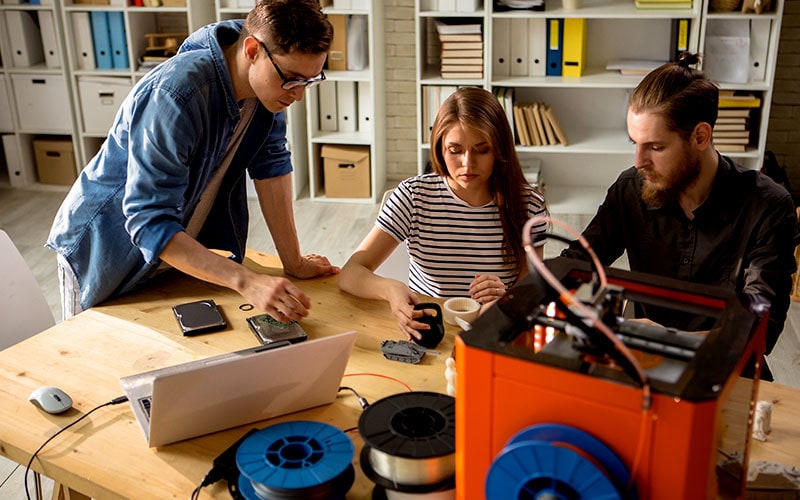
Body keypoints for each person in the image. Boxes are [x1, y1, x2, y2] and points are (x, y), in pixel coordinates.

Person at [46, 0, 339, 322]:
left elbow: (271, 165)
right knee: (89, 359)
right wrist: (246, 281)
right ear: (253, 50)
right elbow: (148, 220)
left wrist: (293, 261)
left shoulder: (269, 93)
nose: (298, 94)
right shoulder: (175, 94)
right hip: (106, 250)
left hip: (174, 252)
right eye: (292, 79)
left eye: (309, 81)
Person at [561, 53, 797, 381]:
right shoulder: (630, 189)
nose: (639, 161)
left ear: (700, 136)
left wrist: (662, 341)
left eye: (655, 147)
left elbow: (761, 329)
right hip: (642, 367)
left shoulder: (768, 206)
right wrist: (519, 292)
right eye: (635, 143)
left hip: (726, 374)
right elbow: (578, 262)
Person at [338, 86, 548, 340]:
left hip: (492, 333)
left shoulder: (528, 206)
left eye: (482, 150)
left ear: (499, 149)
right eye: (455, 150)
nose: (467, 164)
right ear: (439, 147)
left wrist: (507, 298)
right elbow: (351, 273)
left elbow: (534, 291)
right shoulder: (414, 196)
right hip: (428, 332)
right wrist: (390, 289)